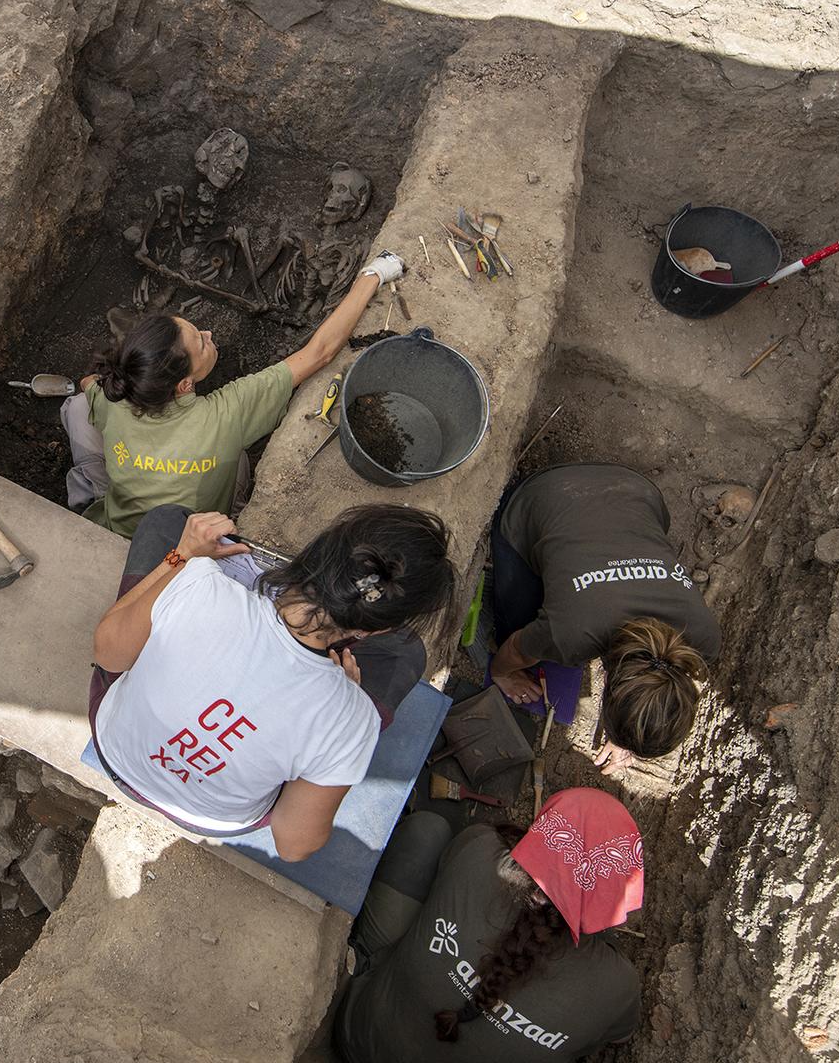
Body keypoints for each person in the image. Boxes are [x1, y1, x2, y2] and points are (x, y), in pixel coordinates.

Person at [89, 502, 452, 861]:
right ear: (376, 628)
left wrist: (181, 556)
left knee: (167, 519)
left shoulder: (197, 582)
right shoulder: (353, 721)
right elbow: (293, 845)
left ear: (318, 551)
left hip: (115, 748)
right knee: (406, 653)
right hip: (210, 818)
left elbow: (108, 656)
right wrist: (344, 704)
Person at [335, 789, 644, 1063]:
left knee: (426, 832)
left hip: (356, 1037)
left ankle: (358, 960)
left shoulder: (481, 850)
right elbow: (618, 1037)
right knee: (562, 1055)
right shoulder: (617, 986)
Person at [65, 251, 405, 536]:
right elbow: (320, 352)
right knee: (238, 458)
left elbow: (88, 384)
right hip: (186, 551)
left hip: (120, 527)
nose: (209, 333)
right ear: (184, 384)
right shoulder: (227, 413)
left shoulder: (116, 398)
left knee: (79, 406)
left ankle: (86, 494)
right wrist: (374, 273)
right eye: (201, 341)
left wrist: (103, 405)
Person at [486, 463, 719, 775]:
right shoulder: (572, 634)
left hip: (636, 489)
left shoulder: (704, 638)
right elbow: (515, 649)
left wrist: (629, 734)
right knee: (513, 622)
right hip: (541, 495)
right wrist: (503, 674)